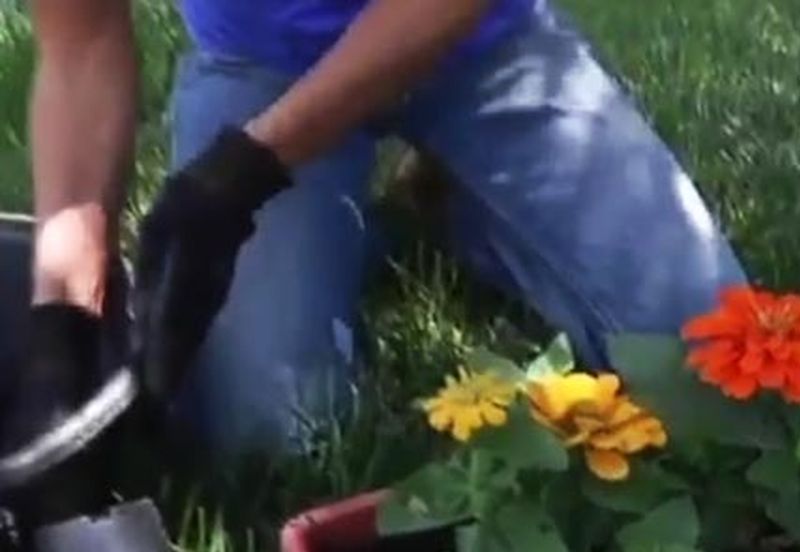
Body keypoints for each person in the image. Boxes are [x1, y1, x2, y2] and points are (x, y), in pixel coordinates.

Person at [9, 0, 746, 459]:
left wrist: (239, 177)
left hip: (480, 45)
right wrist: (63, 310)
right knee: (276, 438)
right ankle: (398, 211)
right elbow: (81, 47)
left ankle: (457, 203)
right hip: (261, 69)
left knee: (712, 358)